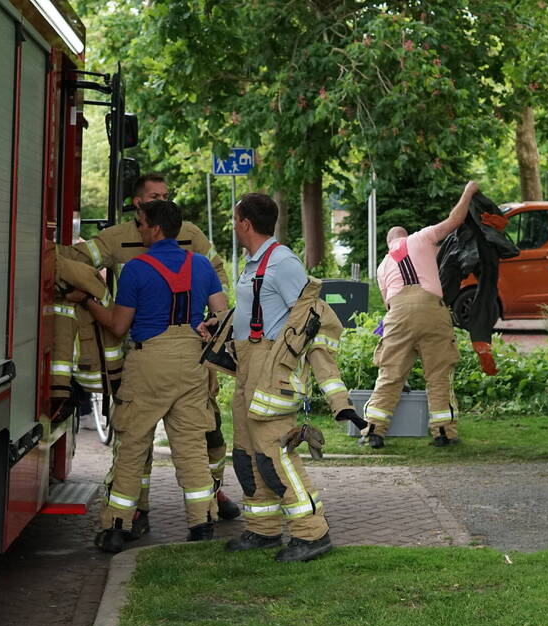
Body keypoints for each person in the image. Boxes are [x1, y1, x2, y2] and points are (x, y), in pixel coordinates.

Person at [61, 173, 240, 526]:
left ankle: (118, 525)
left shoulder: (137, 269)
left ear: (155, 228)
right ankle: (202, 521)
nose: (140, 230)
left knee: (132, 446)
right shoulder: (200, 263)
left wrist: (86, 299)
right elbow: (222, 312)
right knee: (191, 446)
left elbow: (117, 325)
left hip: (147, 363)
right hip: (192, 362)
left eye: (145, 225)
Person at [205, 193, 363, 563]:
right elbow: (259, 310)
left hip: (272, 374)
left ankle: (313, 533)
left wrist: (339, 401)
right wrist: (221, 325)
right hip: (248, 370)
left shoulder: (283, 264)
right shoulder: (254, 263)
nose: (233, 226)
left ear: (245, 223)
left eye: (235, 220)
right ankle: (263, 530)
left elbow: (317, 323)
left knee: (277, 457)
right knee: (247, 456)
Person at [360, 181, 479, 449]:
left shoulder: (383, 265)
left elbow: (388, 305)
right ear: (406, 235)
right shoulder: (422, 237)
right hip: (431, 311)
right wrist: (468, 192)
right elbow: (455, 220)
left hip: (399, 313)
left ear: (390, 242)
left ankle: (374, 431)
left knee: (390, 374)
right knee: (437, 374)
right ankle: (443, 433)